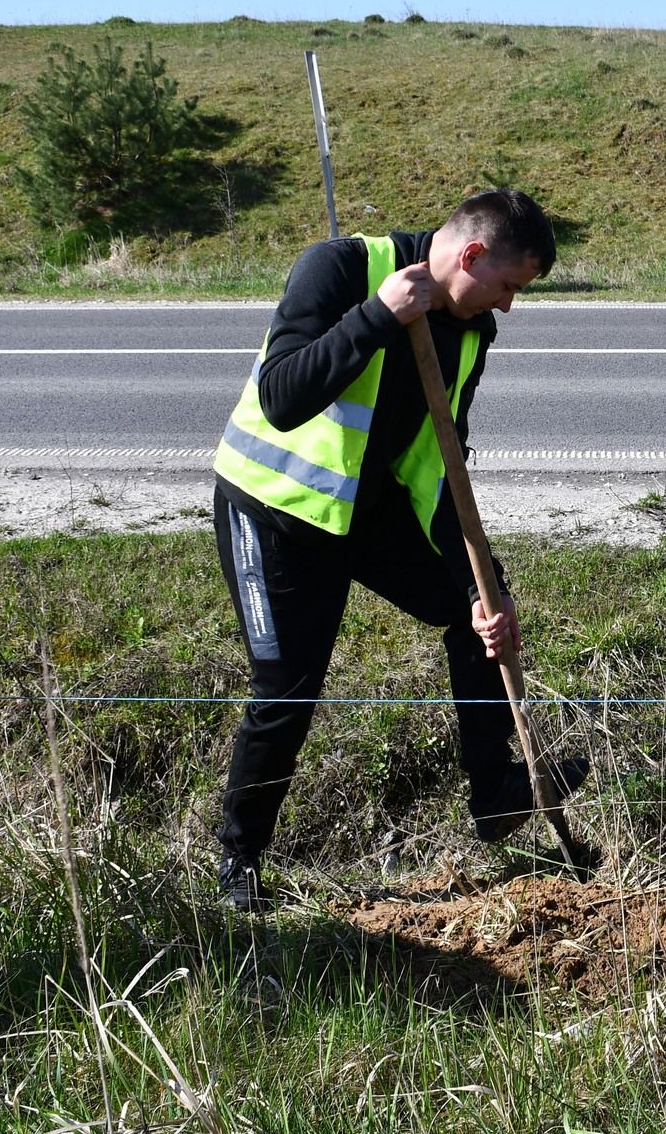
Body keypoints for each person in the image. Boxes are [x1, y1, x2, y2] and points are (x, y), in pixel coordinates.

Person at [210, 188, 587, 911]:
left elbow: (439, 467)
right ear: (471, 255)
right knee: (286, 690)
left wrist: (487, 585)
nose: (509, 305)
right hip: (274, 508)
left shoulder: (472, 332)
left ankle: (496, 789)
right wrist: (377, 317)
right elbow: (280, 396)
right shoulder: (340, 270)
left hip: (366, 511)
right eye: (508, 286)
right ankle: (239, 864)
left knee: (465, 610)